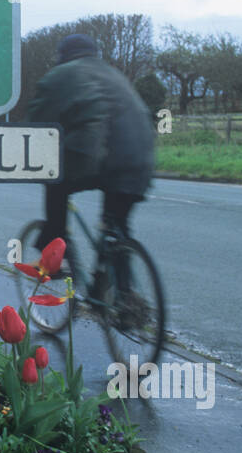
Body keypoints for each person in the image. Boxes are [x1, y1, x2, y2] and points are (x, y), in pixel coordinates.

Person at [27, 34, 155, 274]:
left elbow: (38, 123)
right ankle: (124, 300)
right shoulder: (114, 74)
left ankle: (56, 259)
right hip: (141, 161)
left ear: (62, 55)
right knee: (117, 230)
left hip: (100, 159)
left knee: (55, 183)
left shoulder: (63, 74)